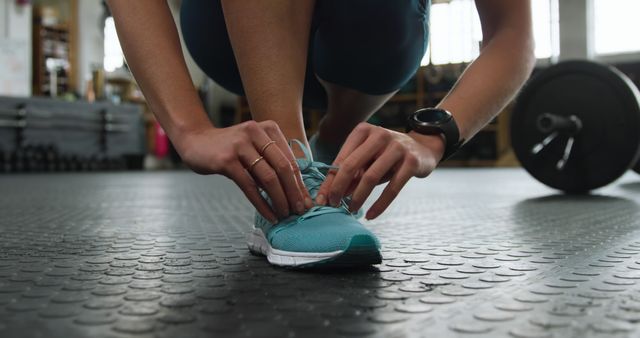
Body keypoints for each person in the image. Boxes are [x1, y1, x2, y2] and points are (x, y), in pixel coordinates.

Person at [106, 0, 535, 267]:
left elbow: (512, 30)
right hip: (222, 30)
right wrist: (189, 128)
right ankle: (291, 171)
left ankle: (334, 139)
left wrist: (432, 136)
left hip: (375, 35)